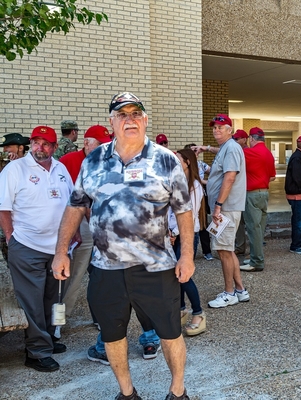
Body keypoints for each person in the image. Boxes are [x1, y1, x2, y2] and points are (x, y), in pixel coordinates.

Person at [51, 92, 194, 400]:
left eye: (136, 114)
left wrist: (187, 255)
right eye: (122, 114)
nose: (130, 119)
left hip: (156, 267)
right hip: (107, 269)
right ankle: (127, 393)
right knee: (113, 336)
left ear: (144, 120)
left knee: (170, 334)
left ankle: (178, 391)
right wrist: (61, 251)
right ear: (112, 122)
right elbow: (75, 207)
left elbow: (184, 210)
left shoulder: (166, 159)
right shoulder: (94, 160)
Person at [0, 126, 72, 372]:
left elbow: (71, 204)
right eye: (36, 142)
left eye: (46, 143)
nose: (40, 147)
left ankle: (49, 338)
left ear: (54, 147)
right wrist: (11, 239)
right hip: (27, 246)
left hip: (58, 248)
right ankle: (36, 351)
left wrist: (72, 237)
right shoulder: (15, 169)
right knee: (31, 301)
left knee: (52, 297)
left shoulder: (61, 169)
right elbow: (4, 208)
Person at [59, 125, 112, 320]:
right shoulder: (67, 161)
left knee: (103, 274)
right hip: (77, 222)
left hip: (101, 222)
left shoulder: (106, 161)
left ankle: (101, 316)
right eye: (100, 145)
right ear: (87, 143)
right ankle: (59, 317)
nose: (104, 150)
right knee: (74, 272)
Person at [204, 114, 250, 308]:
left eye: (221, 127)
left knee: (223, 251)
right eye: (214, 127)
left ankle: (229, 293)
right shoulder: (226, 148)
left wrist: (218, 205)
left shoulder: (231, 148)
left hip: (226, 208)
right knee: (228, 250)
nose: (216, 130)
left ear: (230, 130)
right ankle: (240, 290)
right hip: (226, 207)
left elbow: (230, 177)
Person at [169, 149, 206, 336]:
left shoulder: (195, 187)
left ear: (188, 163)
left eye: (179, 159)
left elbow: (188, 215)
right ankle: (181, 308)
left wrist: (174, 231)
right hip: (173, 234)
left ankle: (199, 313)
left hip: (187, 235)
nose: (175, 162)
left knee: (183, 276)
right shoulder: (176, 182)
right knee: (175, 276)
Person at [240, 127, 276, 272]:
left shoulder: (249, 152)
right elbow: (272, 176)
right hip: (264, 193)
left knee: (253, 228)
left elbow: (231, 154)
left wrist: (208, 148)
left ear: (251, 138)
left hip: (252, 194)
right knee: (259, 228)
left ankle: (257, 262)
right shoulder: (268, 153)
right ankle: (257, 256)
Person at [0, 132, 30, 261]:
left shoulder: (31, 163)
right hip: (4, 216)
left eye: (8, 147)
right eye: (4, 147)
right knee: (8, 251)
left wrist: (18, 164)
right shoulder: (3, 162)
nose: (5, 150)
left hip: (24, 218)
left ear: (20, 147)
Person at [184, 143, 213, 261]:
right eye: (192, 152)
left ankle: (207, 251)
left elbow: (214, 173)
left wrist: (207, 182)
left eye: (196, 151)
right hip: (188, 196)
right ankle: (188, 251)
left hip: (201, 195)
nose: (195, 154)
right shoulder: (184, 166)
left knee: (203, 222)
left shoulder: (201, 165)